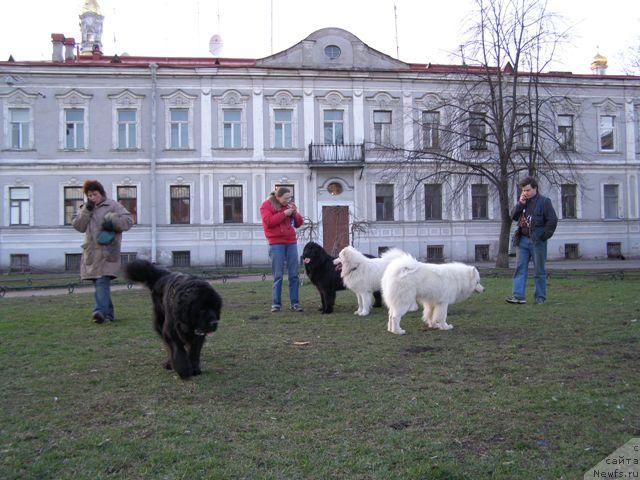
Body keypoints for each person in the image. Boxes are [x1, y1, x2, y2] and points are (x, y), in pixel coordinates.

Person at [72, 180, 133, 323]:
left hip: (108, 252)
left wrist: (113, 222)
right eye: (89, 195)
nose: (92, 197)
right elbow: (79, 226)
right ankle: (109, 315)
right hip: (92, 254)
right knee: (100, 283)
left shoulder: (113, 205)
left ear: (101, 193)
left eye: (95, 194)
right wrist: (87, 209)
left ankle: (99, 312)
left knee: (101, 281)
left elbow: (128, 221)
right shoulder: (86, 208)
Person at [506, 176, 558, 305]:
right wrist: (520, 204)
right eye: (523, 190)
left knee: (539, 270)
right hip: (522, 240)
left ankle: (540, 297)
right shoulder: (523, 202)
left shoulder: (545, 202)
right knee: (520, 269)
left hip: (537, 241)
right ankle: (518, 296)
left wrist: (544, 236)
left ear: (535, 188)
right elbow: (513, 216)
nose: (525, 193)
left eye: (528, 190)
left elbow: (552, 220)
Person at [260, 187, 304, 313]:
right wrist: (284, 214)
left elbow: (298, 223)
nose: (288, 200)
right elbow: (269, 222)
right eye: (285, 198)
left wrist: (295, 213)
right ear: (278, 197)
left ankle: (295, 303)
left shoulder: (289, 205)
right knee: (278, 275)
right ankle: (276, 304)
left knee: (294, 274)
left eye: (289, 198)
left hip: (291, 242)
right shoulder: (266, 206)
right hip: (276, 243)